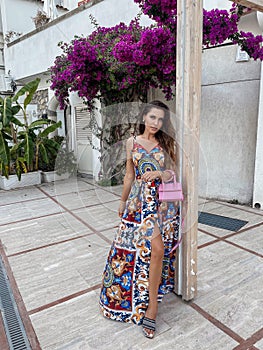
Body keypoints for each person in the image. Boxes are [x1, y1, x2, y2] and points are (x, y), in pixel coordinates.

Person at [99, 100, 181, 339]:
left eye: (161, 119)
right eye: (152, 117)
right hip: (137, 203)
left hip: (159, 204)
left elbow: (172, 173)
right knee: (132, 252)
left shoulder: (165, 143)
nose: (156, 123)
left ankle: (152, 310)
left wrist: (159, 172)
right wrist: (122, 201)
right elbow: (129, 175)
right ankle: (133, 300)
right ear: (144, 117)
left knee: (157, 249)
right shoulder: (131, 143)